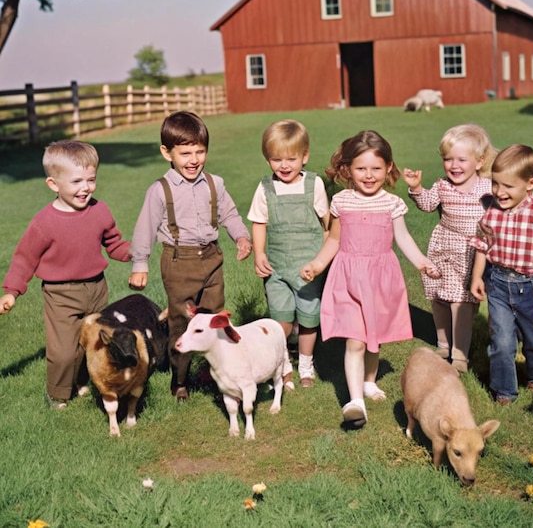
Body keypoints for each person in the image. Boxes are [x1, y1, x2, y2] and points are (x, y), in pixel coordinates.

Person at [300, 130, 439, 428]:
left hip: (379, 278)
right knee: (355, 342)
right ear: (347, 169)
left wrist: (422, 263)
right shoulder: (342, 202)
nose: (368, 175)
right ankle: (355, 402)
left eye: (376, 168)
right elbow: (334, 241)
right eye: (361, 168)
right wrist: (317, 264)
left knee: (372, 341)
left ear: (388, 168)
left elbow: (403, 239)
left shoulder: (392, 204)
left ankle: (369, 381)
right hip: (347, 278)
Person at [129, 111, 252, 401]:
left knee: (213, 319)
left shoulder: (215, 184)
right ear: (166, 153)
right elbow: (144, 229)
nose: (193, 160)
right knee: (181, 323)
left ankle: (215, 373)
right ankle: (180, 380)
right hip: (178, 263)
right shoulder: (160, 190)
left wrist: (241, 237)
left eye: (199, 151)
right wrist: (140, 265)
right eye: (185, 153)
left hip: (212, 259)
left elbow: (230, 214)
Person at [0, 140, 131, 409]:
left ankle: (85, 380)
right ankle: (58, 394)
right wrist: (12, 291)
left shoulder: (100, 210)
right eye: (76, 182)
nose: (85, 188)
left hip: (97, 288)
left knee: (94, 341)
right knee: (63, 352)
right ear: (53, 184)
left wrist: (137, 252)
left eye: (91, 180)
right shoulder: (44, 223)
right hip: (61, 294)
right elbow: (25, 259)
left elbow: (115, 245)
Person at [469, 144, 533, 405]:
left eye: (508, 186)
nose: (499, 192)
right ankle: (505, 391)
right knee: (501, 341)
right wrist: (477, 277)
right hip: (498, 284)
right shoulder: (492, 209)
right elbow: (483, 244)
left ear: (530, 184)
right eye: (495, 184)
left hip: (532, 287)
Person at [403, 124, 497, 373]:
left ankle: (460, 356)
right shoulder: (443, 186)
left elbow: (500, 216)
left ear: (479, 162)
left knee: (461, 303)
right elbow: (427, 204)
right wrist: (416, 189)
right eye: (448, 159)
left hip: (471, 252)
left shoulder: (487, 189)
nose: (454, 165)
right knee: (439, 299)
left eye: (461, 160)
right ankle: (443, 343)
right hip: (443, 246)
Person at [247, 120, 330, 388]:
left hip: (308, 268)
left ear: (304, 157)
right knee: (280, 319)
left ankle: (306, 363)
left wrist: (325, 258)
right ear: (267, 159)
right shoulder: (265, 188)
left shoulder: (314, 185)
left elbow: (328, 224)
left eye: (291, 159)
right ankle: (281, 365)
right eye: (276, 159)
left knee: (308, 317)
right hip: (277, 267)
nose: (284, 166)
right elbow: (259, 222)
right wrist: (259, 254)